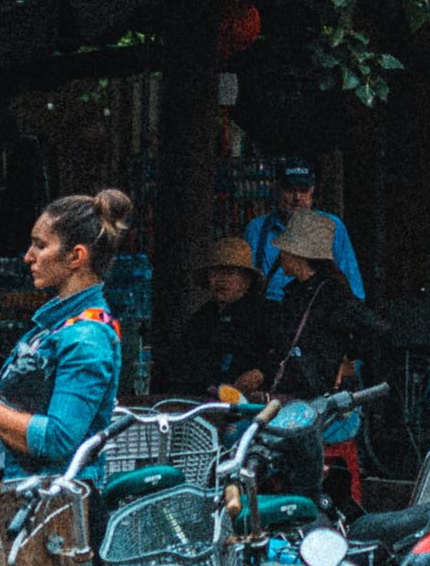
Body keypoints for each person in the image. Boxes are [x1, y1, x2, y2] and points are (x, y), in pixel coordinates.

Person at [0, 190, 130, 481]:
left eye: (40, 246)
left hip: (57, 499)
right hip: (29, 491)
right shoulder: (58, 325)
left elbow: (57, 439)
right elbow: (33, 411)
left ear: (76, 256)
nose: (28, 256)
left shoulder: (87, 339)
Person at [264, 211, 390, 396]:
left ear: (297, 254)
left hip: (323, 393)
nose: (280, 255)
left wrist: (347, 359)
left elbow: (378, 329)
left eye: (284, 250)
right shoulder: (294, 291)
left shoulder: (332, 294)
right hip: (297, 391)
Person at [164, 236, 286, 396]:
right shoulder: (202, 318)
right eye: (216, 273)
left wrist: (260, 373)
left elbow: (283, 356)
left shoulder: (267, 314)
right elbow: (181, 362)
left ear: (246, 279)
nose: (222, 280)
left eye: (230, 273)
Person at [247, 163, 361, 300]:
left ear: (312, 191)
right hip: (268, 307)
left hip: (314, 307)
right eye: (290, 190)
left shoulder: (331, 226)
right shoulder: (257, 228)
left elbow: (351, 281)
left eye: (304, 190)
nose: (297, 197)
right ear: (278, 189)